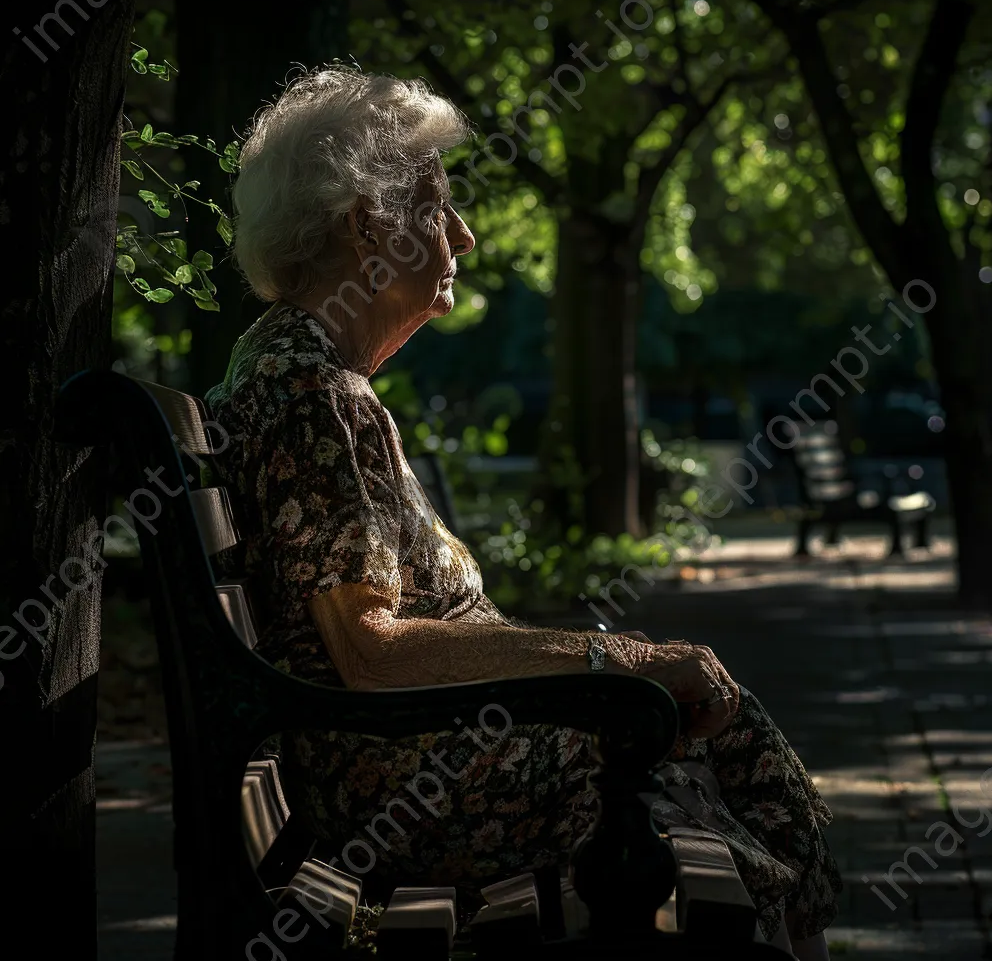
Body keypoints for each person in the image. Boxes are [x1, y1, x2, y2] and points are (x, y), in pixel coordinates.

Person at [207, 65, 841, 958]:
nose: (461, 234)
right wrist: (613, 659)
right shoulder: (311, 390)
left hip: (406, 757)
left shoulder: (301, 372)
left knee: (716, 725)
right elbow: (372, 654)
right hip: (401, 778)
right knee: (707, 734)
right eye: (434, 207)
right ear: (367, 226)